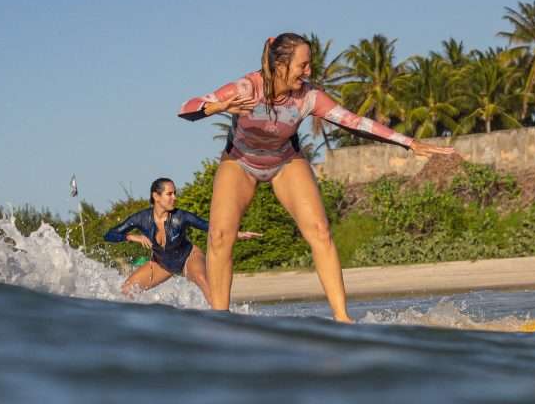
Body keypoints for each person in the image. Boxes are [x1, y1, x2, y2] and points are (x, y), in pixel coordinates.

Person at [178, 32, 458, 322]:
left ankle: (342, 318)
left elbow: (355, 122)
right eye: (304, 65)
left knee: (320, 231)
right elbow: (186, 108)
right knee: (220, 236)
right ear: (281, 64)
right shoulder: (247, 87)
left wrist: (409, 143)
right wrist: (216, 107)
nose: (309, 71)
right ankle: (221, 319)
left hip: (286, 161)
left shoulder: (309, 97)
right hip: (240, 161)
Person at [104, 177, 260, 304]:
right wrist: (130, 236)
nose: (174, 198)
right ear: (156, 196)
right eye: (170, 194)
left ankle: (222, 317)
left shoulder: (181, 216)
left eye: (175, 193)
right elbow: (109, 235)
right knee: (126, 291)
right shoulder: (140, 218)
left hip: (188, 257)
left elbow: (208, 226)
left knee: (201, 279)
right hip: (161, 264)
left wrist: (236, 233)